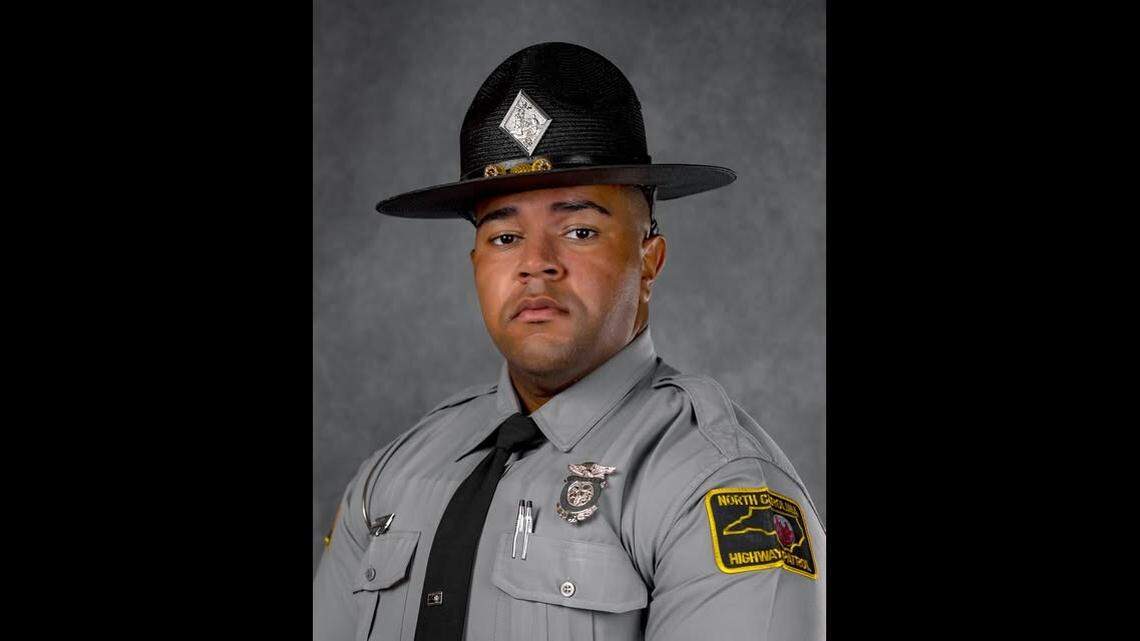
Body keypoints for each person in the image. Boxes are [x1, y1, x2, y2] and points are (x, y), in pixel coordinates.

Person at [314, 42, 825, 641]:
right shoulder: (393, 475)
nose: (536, 265)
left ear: (649, 260)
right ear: (475, 261)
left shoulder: (720, 487)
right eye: (504, 238)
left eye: (579, 230)